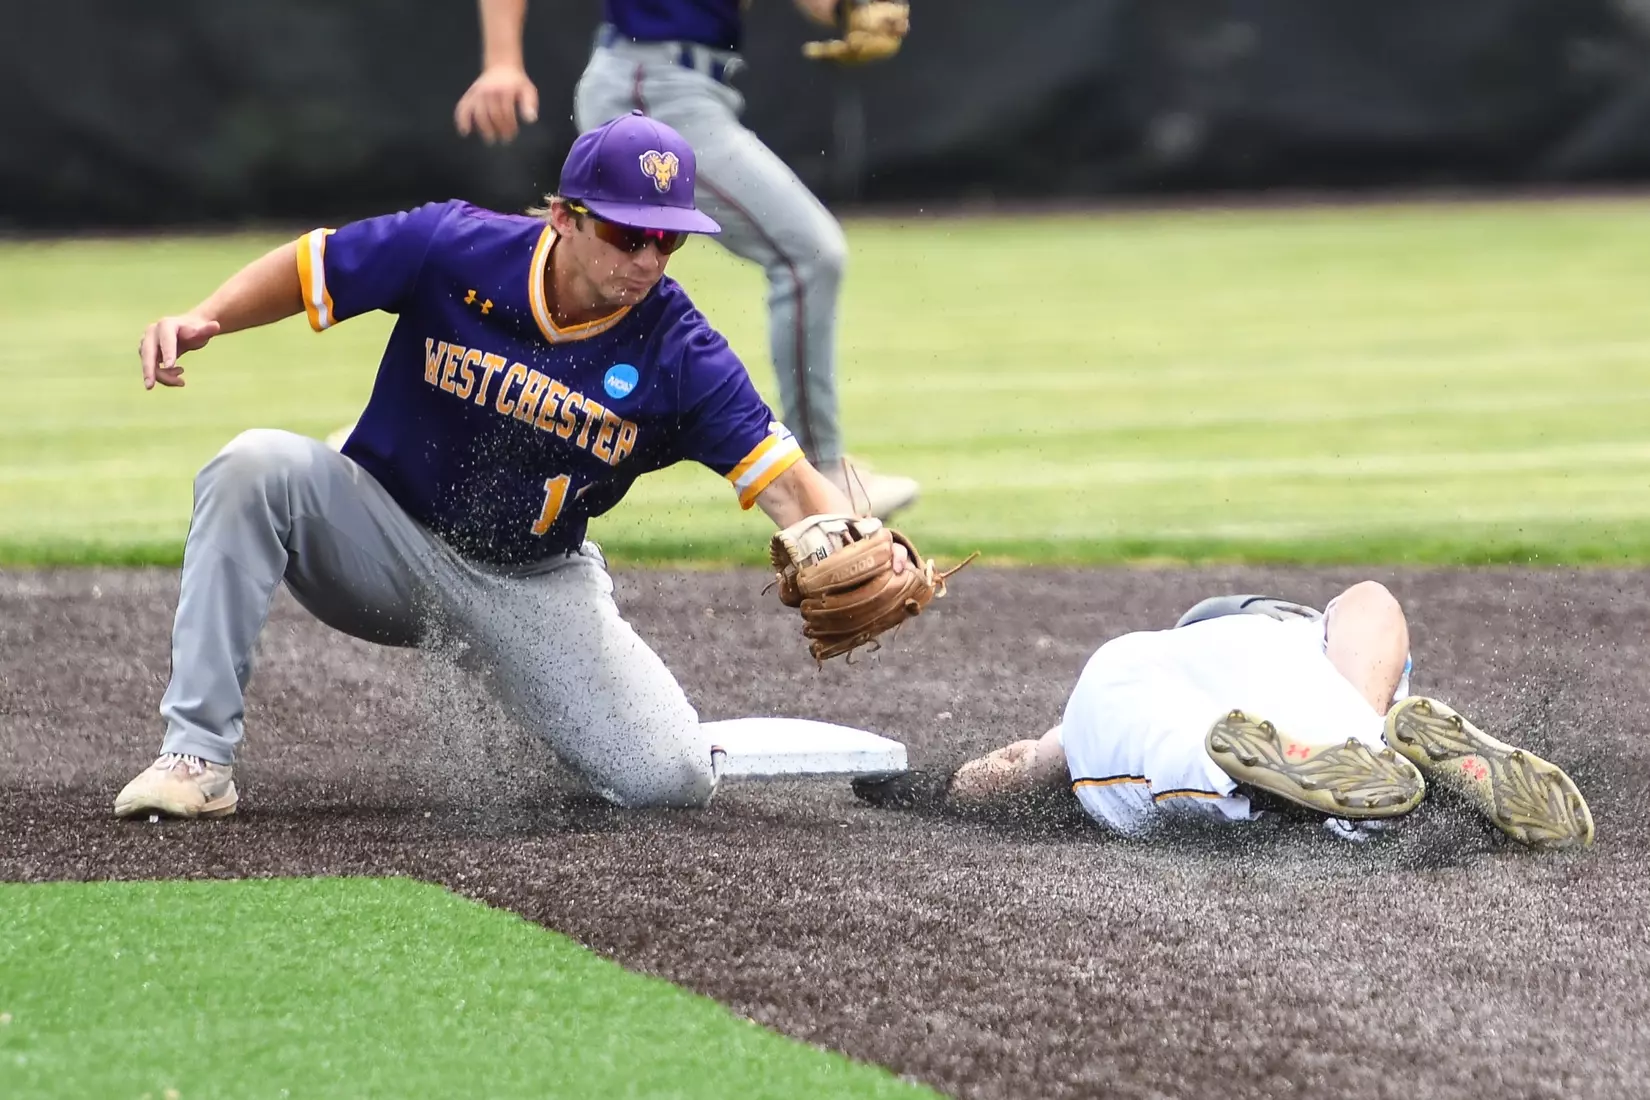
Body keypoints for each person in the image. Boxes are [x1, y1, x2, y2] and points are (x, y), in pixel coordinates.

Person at [115, 112, 912, 821]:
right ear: (565, 217)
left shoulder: (681, 350)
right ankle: (196, 758)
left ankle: (536, 692)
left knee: (667, 780)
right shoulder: (455, 247)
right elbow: (312, 266)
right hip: (386, 541)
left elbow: (783, 482)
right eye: (628, 234)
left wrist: (838, 534)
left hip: (532, 584)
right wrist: (206, 317)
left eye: (668, 239)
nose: (648, 258)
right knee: (252, 465)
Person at [439, 0, 921, 519]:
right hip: (654, 82)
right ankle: (822, 474)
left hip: (690, 85)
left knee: (576, 278)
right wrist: (503, 60)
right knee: (809, 254)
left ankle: (432, 420)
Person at [852, 582, 1596, 850]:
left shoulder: (1164, 652)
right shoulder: (1318, 640)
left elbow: (1028, 764)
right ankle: (1357, 769)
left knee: (1127, 754)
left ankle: (1241, 774)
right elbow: (1376, 602)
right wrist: (1371, 720)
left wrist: (933, 788)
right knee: (1359, 736)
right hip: (1336, 709)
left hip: (1144, 681)